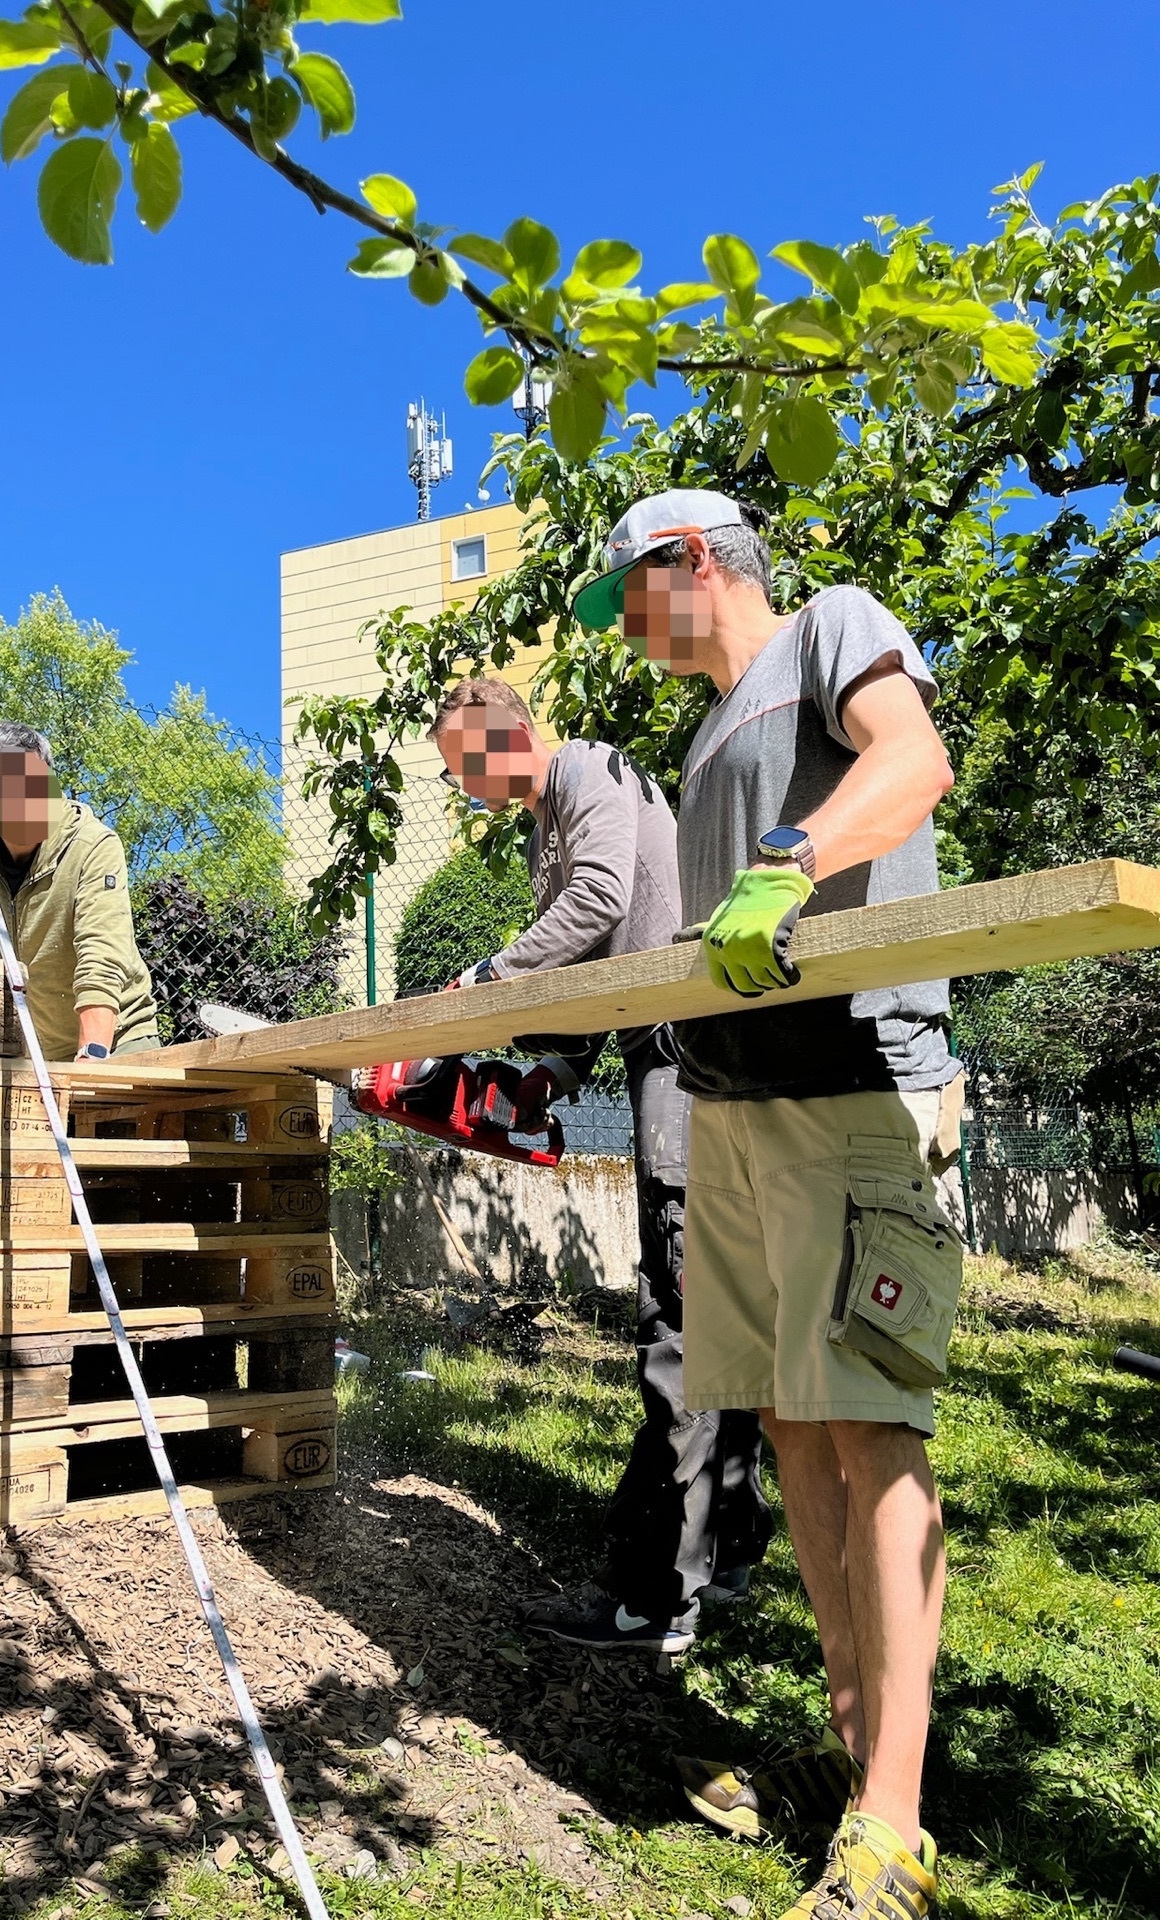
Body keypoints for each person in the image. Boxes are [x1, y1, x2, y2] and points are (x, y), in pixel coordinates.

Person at [573, 490, 964, 1920]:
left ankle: (895, 1832)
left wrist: (797, 860)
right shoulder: (704, 732)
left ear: (690, 563)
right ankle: (862, 1753)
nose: (621, 629)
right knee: (796, 1432)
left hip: (856, 1084)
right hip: (734, 1109)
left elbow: (914, 762)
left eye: (627, 595)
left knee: (871, 1423)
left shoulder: (826, 634)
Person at [428, 676, 772, 1658]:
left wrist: (493, 980)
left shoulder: (588, 773)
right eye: (459, 777)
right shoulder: (549, 817)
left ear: (515, 733)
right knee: (722, 1308)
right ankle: (732, 1548)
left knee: (685, 1313)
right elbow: (606, 956)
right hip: (661, 1038)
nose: (471, 788)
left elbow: (606, 899)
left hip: (685, 1045)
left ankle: (653, 1598)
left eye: (472, 765)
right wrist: (551, 1066)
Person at [0, 722, 160, 1062]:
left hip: (115, 1038)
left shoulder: (93, 844)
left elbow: (101, 956)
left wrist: (94, 1053)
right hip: (24, 1049)